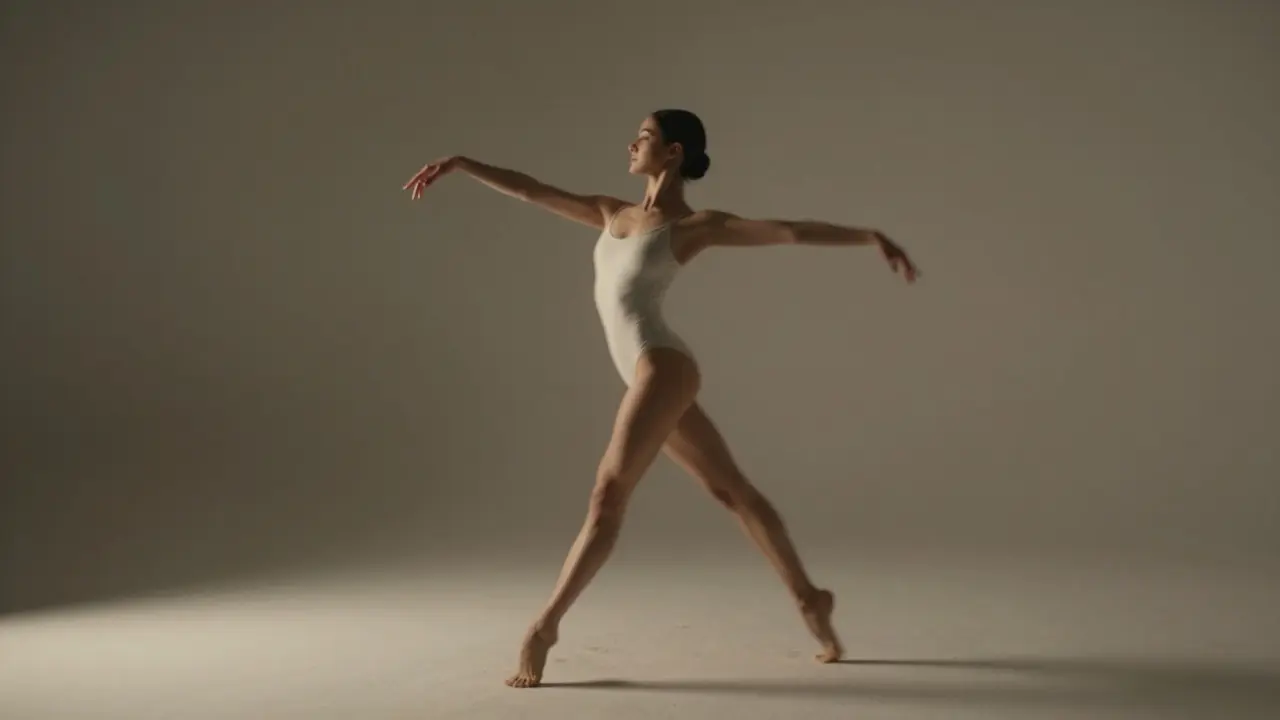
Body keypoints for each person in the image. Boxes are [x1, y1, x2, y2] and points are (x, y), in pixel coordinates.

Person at [403, 109, 920, 688]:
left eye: (644, 137)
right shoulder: (608, 212)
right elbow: (531, 190)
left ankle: (543, 629)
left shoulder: (695, 226)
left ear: (673, 153)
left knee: (607, 493)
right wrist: (461, 164)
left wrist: (870, 237)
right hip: (645, 372)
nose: (631, 143)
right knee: (733, 492)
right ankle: (810, 599)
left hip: (661, 365)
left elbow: (787, 230)